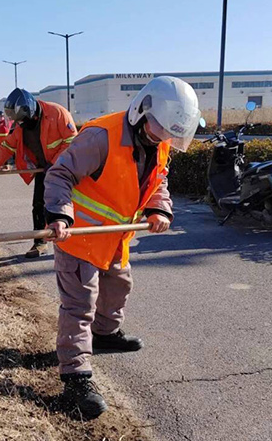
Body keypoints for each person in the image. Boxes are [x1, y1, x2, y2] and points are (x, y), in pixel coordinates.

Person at [43, 76, 201, 419]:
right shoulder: (101, 137)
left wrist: (159, 208)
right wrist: (58, 214)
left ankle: (105, 334)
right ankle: (75, 378)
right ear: (141, 111)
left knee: (118, 287)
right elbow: (59, 175)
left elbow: (157, 181)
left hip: (115, 237)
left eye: (169, 135)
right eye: (158, 131)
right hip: (79, 238)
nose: (163, 139)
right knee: (78, 306)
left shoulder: (159, 142)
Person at [0, 88, 78, 258]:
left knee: (68, 203)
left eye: (23, 121)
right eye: (18, 122)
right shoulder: (21, 126)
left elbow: (72, 141)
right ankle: (40, 242)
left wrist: (54, 163)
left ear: (30, 111)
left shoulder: (58, 113)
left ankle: (74, 239)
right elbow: (7, 147)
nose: (21, 125)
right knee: (38, 205)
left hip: (64, 167)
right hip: (43, 168)